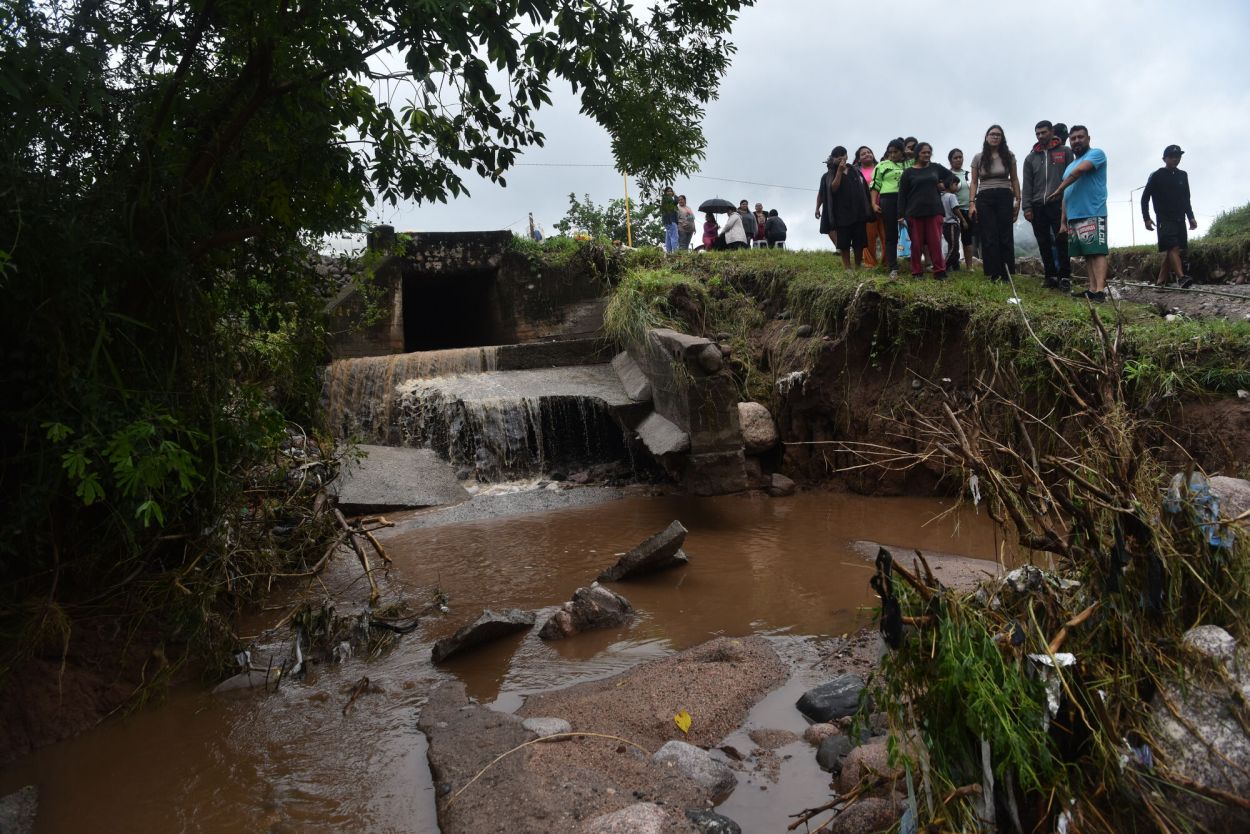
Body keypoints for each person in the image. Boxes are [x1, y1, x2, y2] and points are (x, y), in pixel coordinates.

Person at [1048, 125, 1109, 302]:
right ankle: (1092, 288)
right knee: (1087, 253)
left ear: (1088, 138)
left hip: (1093, 211)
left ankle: (1100, 291)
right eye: (1073, 138)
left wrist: (1059, 188)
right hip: (1074, 216)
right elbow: (1066, 196)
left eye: (1080, 137)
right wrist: (1063, 221)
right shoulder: (1069, 166)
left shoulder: (1096, 154)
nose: (1077, 141)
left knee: (1097, 251)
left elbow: (1080, 172)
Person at [1022, 120, 1075, 290]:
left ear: (1051, 132)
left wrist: (1068, 202)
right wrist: (1027, 207)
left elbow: (1072, 177)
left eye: (1043, 132)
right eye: (1037, 133)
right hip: (1037, 205)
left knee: (1062, 240)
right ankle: (1050, 276)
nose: (1040, 136)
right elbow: (1027, 184)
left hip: (1058, 203)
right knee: (1043, 242)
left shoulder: (1065, 152)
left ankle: (1065, 277)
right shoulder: (1030, 158)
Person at [969, 125, 1020, 282]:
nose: (995, 137)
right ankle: (993, 272)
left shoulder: (1009, 156)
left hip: (1005, 194)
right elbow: (974, 182)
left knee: (1005, 234)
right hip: (984, 196)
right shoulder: (978, 157)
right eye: (992, 134)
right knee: (989, 234)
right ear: (986, 137)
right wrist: (972, 203)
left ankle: (1006, 273)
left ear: (1002, 138)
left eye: (998, 134)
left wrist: (1018, 199)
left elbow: (1014, 178)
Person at [1141, 145, 1198, 287]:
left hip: (1180, 218)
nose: (1175, 159)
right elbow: (1145, 198)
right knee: (1173, 247)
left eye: (1178, 156)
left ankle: (1160, 282)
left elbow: (1186, 198)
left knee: (1173, 249)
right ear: (1164, 159)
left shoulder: (1183, 175)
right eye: (1172, 157)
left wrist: (1190, 217)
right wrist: (1146, 218)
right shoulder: (1157, 175)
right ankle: (1181, 278)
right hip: (1164, 218)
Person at [897, 142, 953, 279]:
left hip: (934, 211)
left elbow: (952, 177)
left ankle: (940, 271)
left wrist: (943, 184)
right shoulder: (908, 172)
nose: (927, 155)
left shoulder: (935, 168)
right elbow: (902, 195)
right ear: (917, 154)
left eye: (929, 152)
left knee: (935, 243)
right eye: (923, 152)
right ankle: (917, 272)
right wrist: (900, 215)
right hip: (914, 213)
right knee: (916, 245)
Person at [818, 145, 874, 269]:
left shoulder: (855, 171)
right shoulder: (830, 174)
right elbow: (832, 189)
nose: (840, 158)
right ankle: (848, 268)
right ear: (833, 159)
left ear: (847, 156)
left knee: (859, 242)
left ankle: (858, 266)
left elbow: (864, 190)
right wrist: (839, 172)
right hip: (841, 213)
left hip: (858, 211)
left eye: (842, 155)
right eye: (837, 156)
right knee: (844, 243)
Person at [871, 138, 908, 278]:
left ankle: (915, 264)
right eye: (890, 152)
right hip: (888, 200)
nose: (892, 155)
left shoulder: (909, 164)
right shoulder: (882, 165)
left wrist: (909, 154)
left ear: (902, 152)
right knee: (891, 234)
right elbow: (875, 185)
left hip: (907, 200)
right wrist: (873, 203)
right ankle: (893, 266)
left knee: (913, 231)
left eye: (896, 152)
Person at [947, 148, 976, 267]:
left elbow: (974, 189)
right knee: (952, 239)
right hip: (953, 211)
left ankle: (969, 266)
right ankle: (952, 264)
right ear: (950, 160)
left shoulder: (968, 174)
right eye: (955, 158)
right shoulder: (947, 175)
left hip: (968, 210)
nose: (958, 160)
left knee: (967, 238)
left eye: (960, 157)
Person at [856, 146, 884, 266]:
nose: (867, 154)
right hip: (866, 209)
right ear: (858, 159)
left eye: (869, 152)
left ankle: (887, 262)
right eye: (863, 154)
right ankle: (870, 263)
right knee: (869, 237)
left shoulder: (881, 167)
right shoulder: (856, 172)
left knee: (886, 235)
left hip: (883, 206)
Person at [941, 178, 966, 271]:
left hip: (944, 224)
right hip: (951, 224)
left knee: (953, 245)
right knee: (954, 246)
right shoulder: (951, 196)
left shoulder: (941, 196)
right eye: (956, 185)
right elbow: (955, 209)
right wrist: (963, 220)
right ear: (951, 184)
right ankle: (944, 266)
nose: (957, 187)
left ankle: (956, 266)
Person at [661, 187, 679, 253]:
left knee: (669, 238)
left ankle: (669, 252)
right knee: (674, 237)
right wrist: (675, 195)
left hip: (667, 221)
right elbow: (676, 201)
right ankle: (675, 253)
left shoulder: (664, 199)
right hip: (671, 220)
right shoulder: (667, 198)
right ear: (665, 192)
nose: (670, 192)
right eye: (668, 191)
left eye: (671, 191)